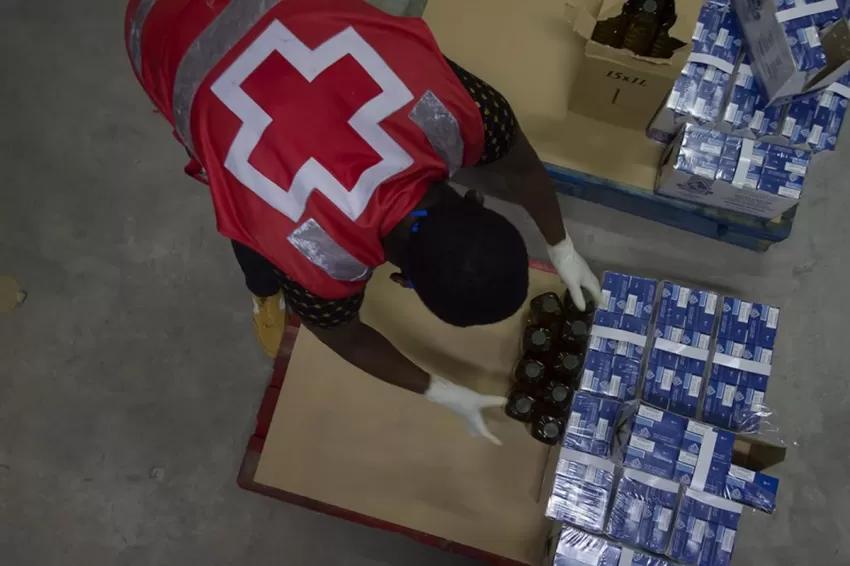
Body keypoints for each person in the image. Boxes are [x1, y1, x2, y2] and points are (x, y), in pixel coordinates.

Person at [125, 0, 602, 444]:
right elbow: (346, 338)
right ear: (404, 280)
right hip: (162, 33)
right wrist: (440, 391)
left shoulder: (449, 108)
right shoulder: (313, 255)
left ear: (477, 201)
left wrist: (561, 246)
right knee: (243, 220)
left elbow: (521, 168)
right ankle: (262, 290)